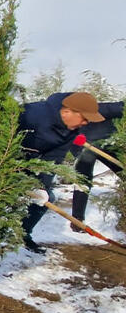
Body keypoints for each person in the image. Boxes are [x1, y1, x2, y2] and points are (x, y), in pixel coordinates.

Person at [19, 91, 123, 253]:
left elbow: (53, 160)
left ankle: (22, 235)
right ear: (68, 112)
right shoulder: (33, 115)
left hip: (26, 162)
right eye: (84, 119)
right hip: (1, 159)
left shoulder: (71, 129)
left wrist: (42, 186)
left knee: (47, 197)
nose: (86, 123)